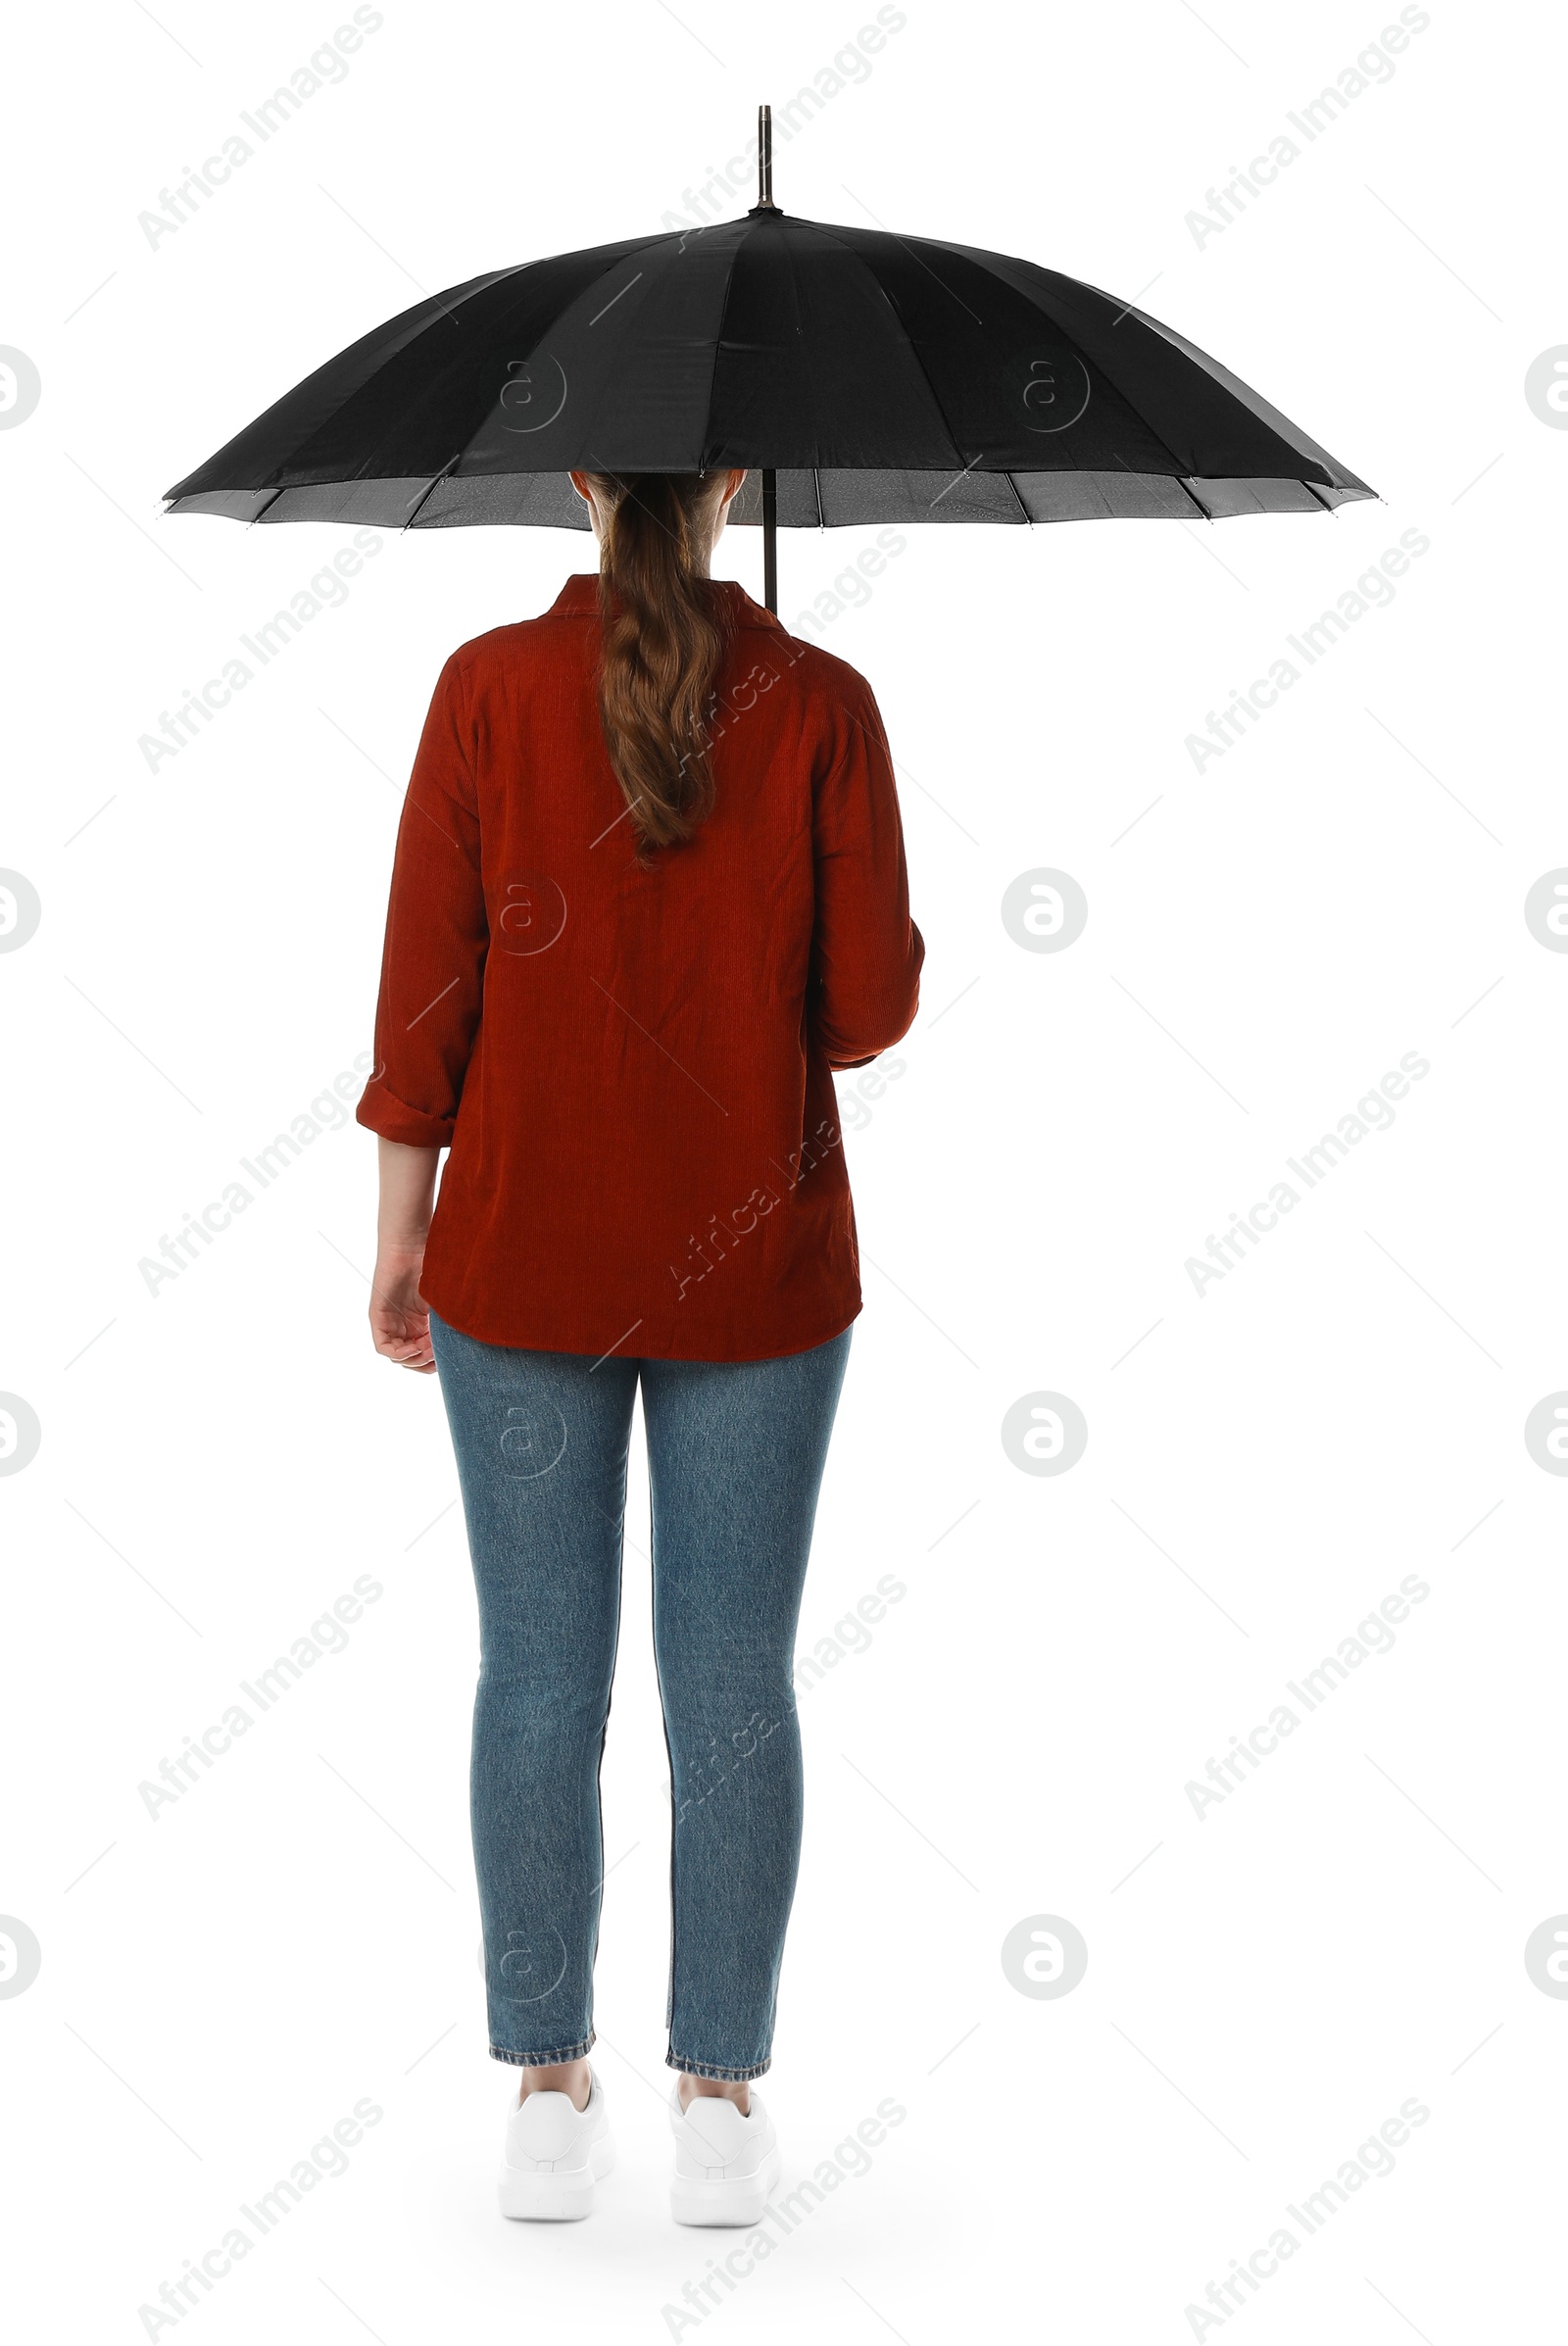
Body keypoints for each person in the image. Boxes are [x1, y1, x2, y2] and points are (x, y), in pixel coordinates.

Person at [356, 466, 923, 2224]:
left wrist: (398, 1234)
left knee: (538, 1676)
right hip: (756, 1279)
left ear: (582, 482)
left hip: (520, 1257)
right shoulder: (823, 704)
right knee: (731, 1689)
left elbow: (422, 991)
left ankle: (543, 2090)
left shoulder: (482, 689)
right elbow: (864, 1012)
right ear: (736, 483)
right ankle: (720, 2104)